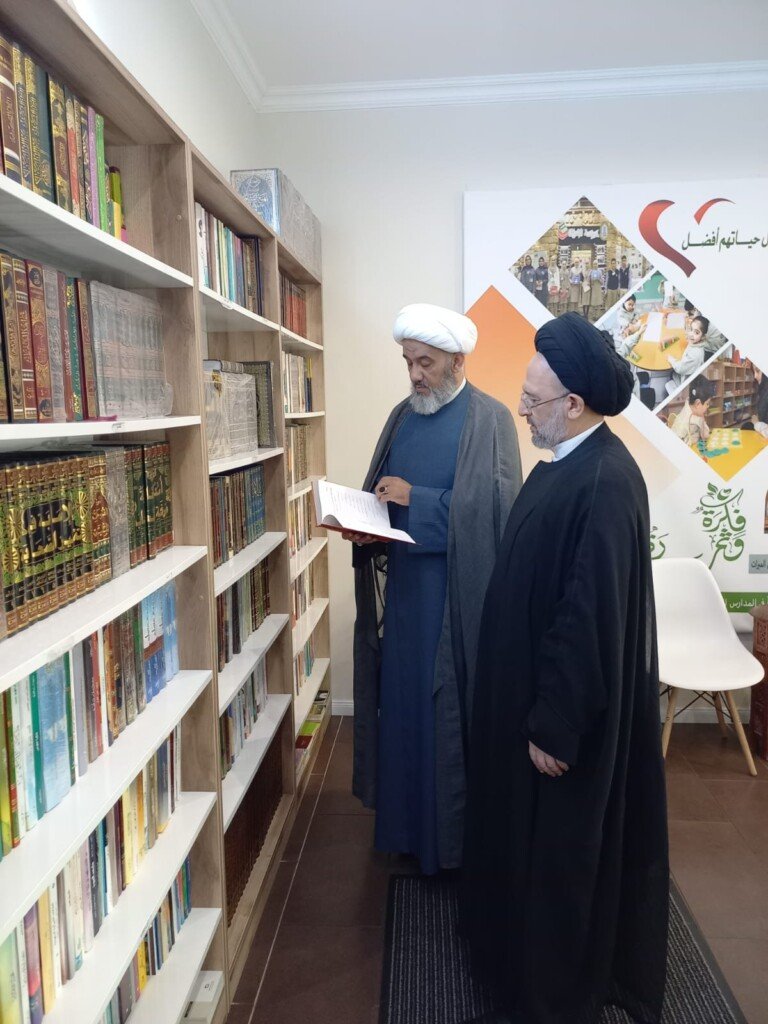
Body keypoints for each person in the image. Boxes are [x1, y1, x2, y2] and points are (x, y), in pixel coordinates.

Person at [461, 312, 669, 1024]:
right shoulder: (569, 461)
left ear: (573, 404)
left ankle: (547, 996)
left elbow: (590, 617)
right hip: (523, 698)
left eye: (532, 398)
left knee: (555, 862)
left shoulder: (605, 480)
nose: (521, 409)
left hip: (554, 730)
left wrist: (555, 725)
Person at [350, 303, 522, 874]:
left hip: (457, 602)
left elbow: (498, 514)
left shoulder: (490, 419)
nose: (415, 374)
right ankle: (405, 831)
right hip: (406, 599)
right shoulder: (402, 415)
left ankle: (451, 844)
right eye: (408, 362)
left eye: (425, 362)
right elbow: (382, 495)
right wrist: (366, 521)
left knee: (446, 712)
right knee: (404, 709)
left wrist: (415, 499)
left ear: (457, 361)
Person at [668, 314, 709, 389]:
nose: (691, 334)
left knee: (670, 373)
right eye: (691, 329)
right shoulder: (696, 342)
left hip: (685, 384)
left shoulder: (696, 354)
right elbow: (688, 336)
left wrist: (671, 359)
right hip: (687, 370)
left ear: (703, 337)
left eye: (696, 332)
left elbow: (680, 369)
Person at [672, 375, 715, 445]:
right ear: (698, 404)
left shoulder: (696, 411)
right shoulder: (682, 423)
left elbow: (705, 435)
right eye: (707, 404)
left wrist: (702, 419)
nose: (708, 406)